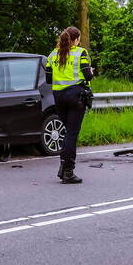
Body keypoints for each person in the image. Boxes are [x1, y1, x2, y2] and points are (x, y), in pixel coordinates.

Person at [45, 26, 94, 184]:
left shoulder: (52, 54)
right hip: (75, 96)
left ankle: (62, 167)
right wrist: (91, 72)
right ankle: (68, 171)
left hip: (58, 97)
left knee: (68, 133)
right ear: (76, 39)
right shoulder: (81, 53)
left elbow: (48, 79)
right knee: (72, 134)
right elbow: (87, 75)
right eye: (79, 39)